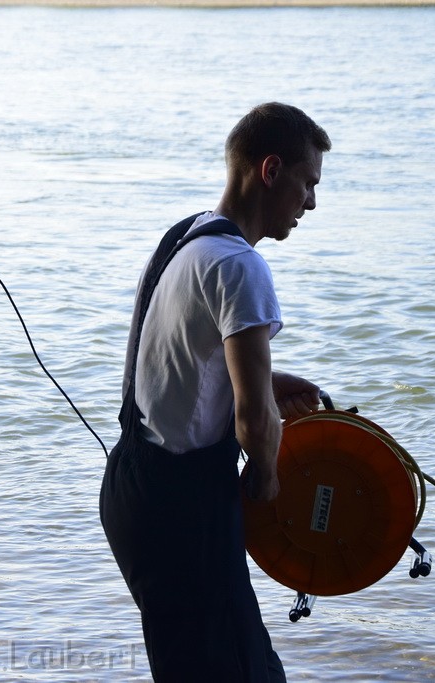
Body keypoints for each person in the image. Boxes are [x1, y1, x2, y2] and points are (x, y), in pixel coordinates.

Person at [99, 102, 331, 682]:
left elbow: (177, 363)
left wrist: (272, 385)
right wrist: (269, 479)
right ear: (270, 170)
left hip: (131, 485)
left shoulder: (188, 236)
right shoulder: (240, 266)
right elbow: (255, 425)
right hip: (182, 507)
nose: (310, 202)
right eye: (307, 184)